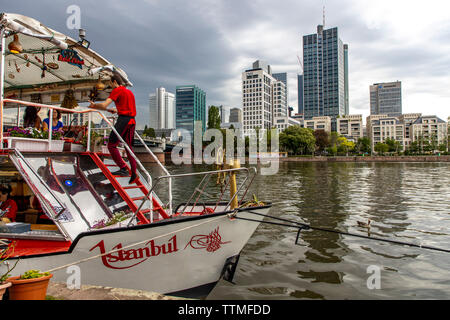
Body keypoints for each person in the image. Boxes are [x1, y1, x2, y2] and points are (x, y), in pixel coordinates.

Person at [89, 73, 138, 184]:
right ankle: (134, 172)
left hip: (123, 120)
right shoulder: (129, 92)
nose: (110, 86)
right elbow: (125, 108)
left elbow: (103, 105)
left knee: (111, 144)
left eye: (110, 83)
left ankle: (123, 168)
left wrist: (94, 106)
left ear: (114, 82)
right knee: (128, 147)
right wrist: (113, 110)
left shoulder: (117, 90)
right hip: (132, 120)